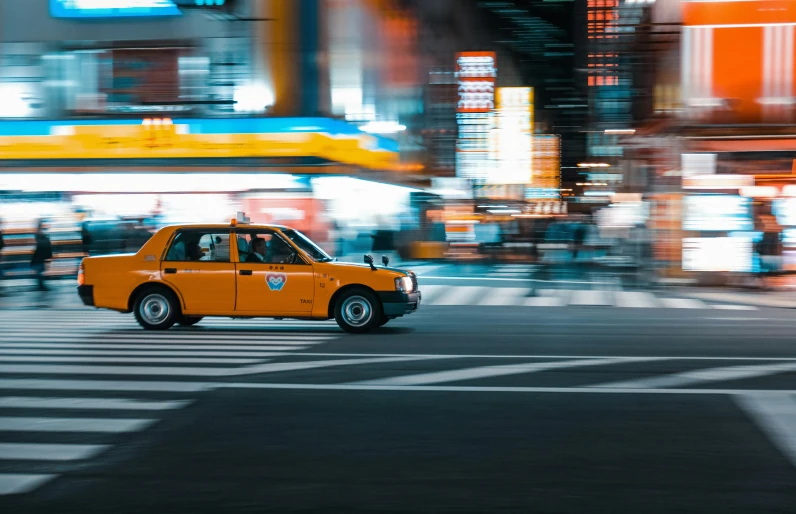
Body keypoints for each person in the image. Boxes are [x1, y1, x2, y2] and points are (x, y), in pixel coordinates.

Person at [30, 220, 52, 291]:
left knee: (39, 270)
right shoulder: (40, 234)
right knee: (40, 270)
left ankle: (41, 285)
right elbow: (44, 244)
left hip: (39, 255)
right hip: (40, 255)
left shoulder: (39, 234)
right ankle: (41, 285)